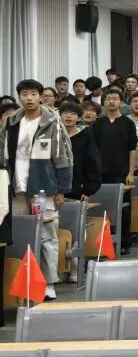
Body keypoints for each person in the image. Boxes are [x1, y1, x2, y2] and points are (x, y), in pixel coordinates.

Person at [0, 79, 73, 300]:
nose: (29, 98)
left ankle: (49, 282)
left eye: (33, 93)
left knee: (46, 236)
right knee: (19, 235)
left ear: (41, 96)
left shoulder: (52, 122)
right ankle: (24, 281)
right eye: (24, 94)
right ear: (19, 97)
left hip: (43, 190)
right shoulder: (12, 122)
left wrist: (62, 190)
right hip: (15, 190)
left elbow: (63, 158)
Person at [59, 102, 101, 203]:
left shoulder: (86, 136)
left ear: (79, 118)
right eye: (65, 113)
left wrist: (88, 190)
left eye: (73, 114)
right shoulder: (55, 136)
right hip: (56, 189)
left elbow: (93, 164)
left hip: (78, 190)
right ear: (60, 116)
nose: (68, 116)